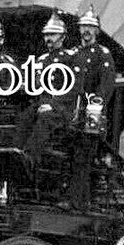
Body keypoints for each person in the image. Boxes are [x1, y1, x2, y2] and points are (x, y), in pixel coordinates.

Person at [66, 6, 116, 209]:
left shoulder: (103, 55)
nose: (86, 30)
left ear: (96, 31)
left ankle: (80, 203)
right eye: (84, 26)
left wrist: (93, 109)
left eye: (90, 27)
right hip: (71, 114)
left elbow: (105, 88)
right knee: (72, 158)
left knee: (84, 159)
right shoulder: (74, 53)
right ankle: (74, 199)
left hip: (90, 115)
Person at [14, 11, 75, 166]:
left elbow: (74, 88)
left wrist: (53, 105)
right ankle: (16, 152)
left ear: (63, 37)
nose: (48, 38)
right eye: (47, 34)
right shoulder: (41, 60)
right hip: (42, 103)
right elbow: (35, 85)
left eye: (53, 34)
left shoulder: (70, 58)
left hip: (62, 108)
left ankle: (30, 157)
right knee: (24, 116)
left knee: (45, 117)